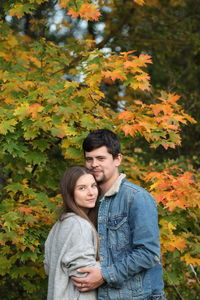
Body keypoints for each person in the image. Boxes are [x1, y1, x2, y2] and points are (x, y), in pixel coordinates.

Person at [72, 129, 166, 300]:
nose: (94, 164)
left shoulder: (136, 198)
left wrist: (105, 275)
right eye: (89, 159)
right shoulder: (88, 201)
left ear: (117, 159)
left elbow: (149, 253)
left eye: (101, 158)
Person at [44, 166, 100, 300]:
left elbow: (48, 267)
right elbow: (84, 277)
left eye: (93, 186)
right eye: (82, 188)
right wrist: (104, 265)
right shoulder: (80, 225)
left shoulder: (59, 224)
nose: (91, 193)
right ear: (70, 193)